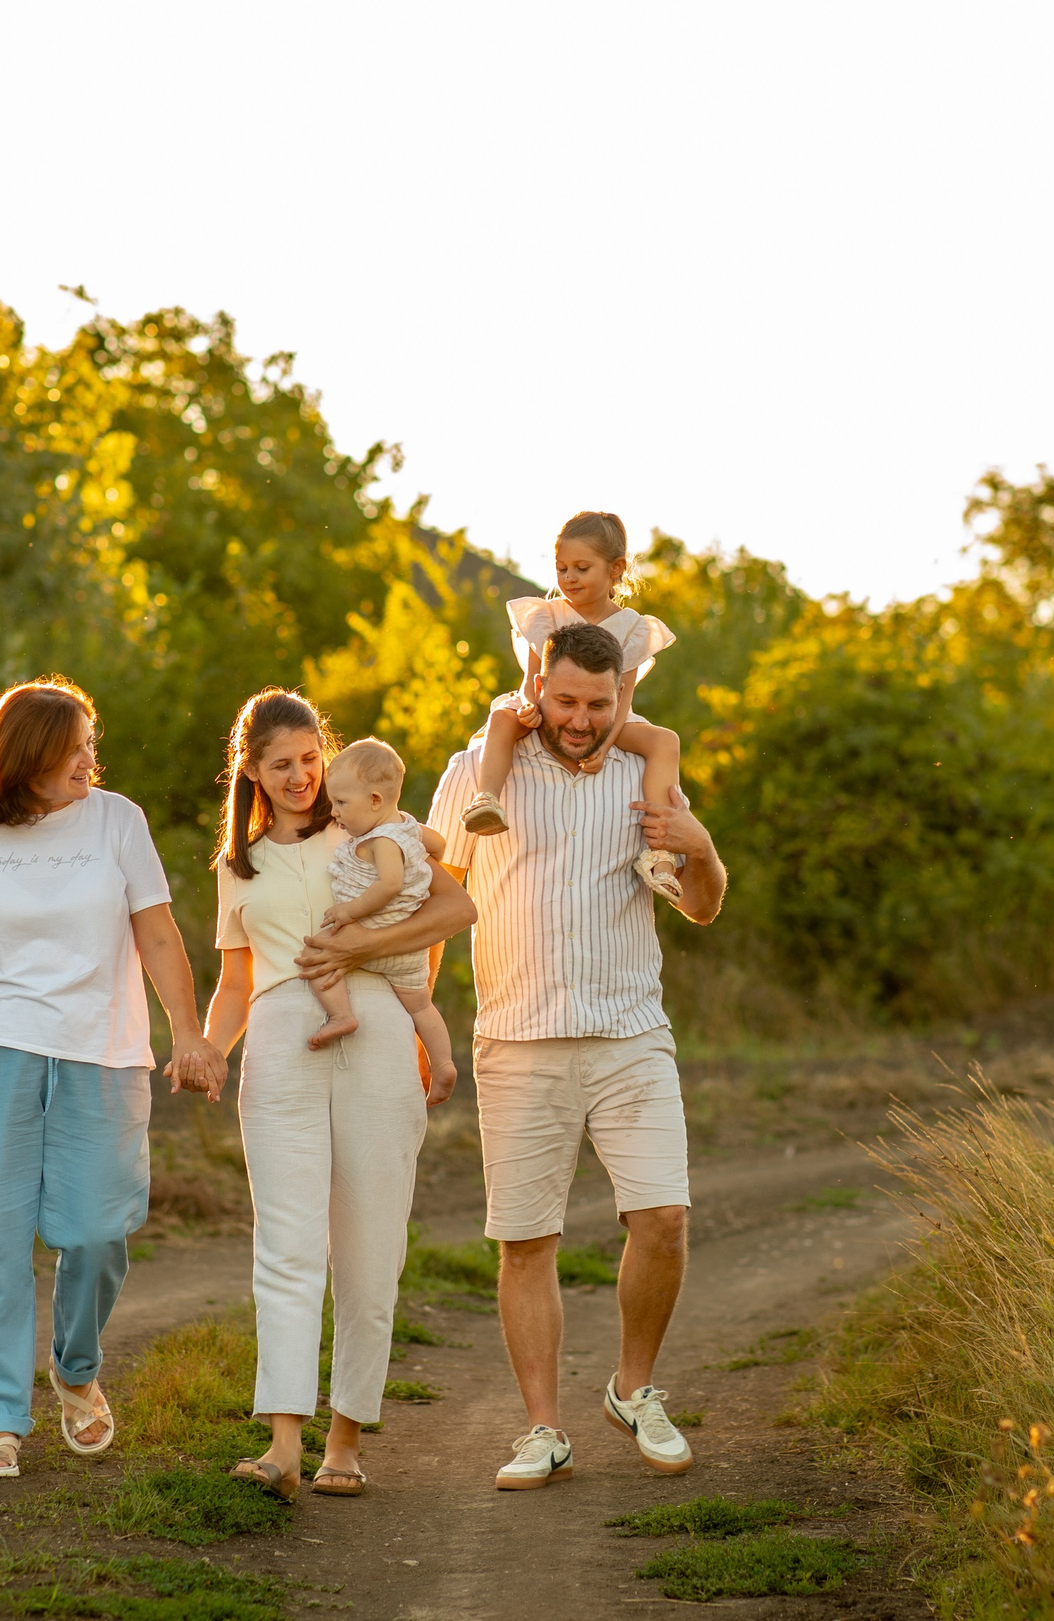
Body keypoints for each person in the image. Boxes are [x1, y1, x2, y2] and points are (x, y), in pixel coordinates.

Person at [425, 621, 728, 1492]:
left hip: (631, 1031)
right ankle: (542, 1427)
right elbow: (434, 890)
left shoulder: (646, 773)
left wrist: (701, 846)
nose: (582, 718)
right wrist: (419, 1019)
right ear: (536, 683)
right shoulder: (475, 771)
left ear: (621, 693)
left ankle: (633, 1387)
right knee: (526, 1241)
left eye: (600, 703)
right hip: (516, 1039)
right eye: (565, 700)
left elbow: (702, 906)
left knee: (664, 1216)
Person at [0, 679, 220, 1480]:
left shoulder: (119, 819)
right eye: (74, 745)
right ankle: (0, 1418)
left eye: (90, 742)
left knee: (99, 1228)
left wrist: (191, 1030)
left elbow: (157, 931)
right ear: (28, 754)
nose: (89, 757)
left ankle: (75, 1366)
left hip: (100, 1048)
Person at [195, 691, 476, 1502]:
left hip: (379, 1026)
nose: (300, 775)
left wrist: (363, 940)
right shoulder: (237, 863)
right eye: (280, 763)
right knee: (284, 1242)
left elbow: (454, 898)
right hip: (282, 1038)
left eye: (311, 757)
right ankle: (284, 1440)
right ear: (251, 771)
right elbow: (236, 982)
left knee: (370, 1242)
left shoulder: (370, 825)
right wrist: (210, 1050)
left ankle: (345, 1438)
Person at [457, 511, 688, 901]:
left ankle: (661, 855)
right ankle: (488, 800)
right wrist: (530, 707)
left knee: (664, 741)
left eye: (582, 568)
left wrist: (603, 744)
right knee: (501, 718)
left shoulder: (632, 627)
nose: (569, 578)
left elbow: (623, 696)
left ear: (616, 569)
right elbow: (534, 679)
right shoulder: (548, 615)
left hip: (607, 717)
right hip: (550, 709)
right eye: (562, 568)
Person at [307, 737, 457, 1079]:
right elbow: (440, 844)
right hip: (408, 952)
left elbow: (388, 885)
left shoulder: (382, 841)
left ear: (375, 801)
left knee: (315, 954)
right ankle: (445, 1064)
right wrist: (418, 845)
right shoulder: (405, 826)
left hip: (373, 930)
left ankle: (342, 1016)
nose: (334, 812)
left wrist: (351, 911)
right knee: (420, 1006)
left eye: (341, 803)